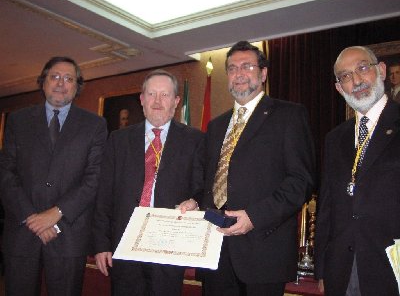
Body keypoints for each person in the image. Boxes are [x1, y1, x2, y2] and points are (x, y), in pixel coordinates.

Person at [200, 41, 315, 296]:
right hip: (214, 251)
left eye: (247, 66)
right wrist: (193, 201)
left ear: (263, 74)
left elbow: (301, 181)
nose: (238, 74)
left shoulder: (289, 116)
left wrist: (254, 217)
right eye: (232, 68)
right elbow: (209, 180)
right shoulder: (216, 126)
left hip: (263, 252)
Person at [0, 56, 107, 295]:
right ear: (43, 82)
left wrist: (55, 213)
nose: (61, 83)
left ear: (77, 86)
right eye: (55, 77)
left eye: (69, 78)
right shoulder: (18, 121)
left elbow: (93, 179)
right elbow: (5, 174)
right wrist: (32, 217)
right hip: (22, 234)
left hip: (69, 236)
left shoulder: (95, 125)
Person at [92, 69, 204, 296]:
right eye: (151, 94)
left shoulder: (195, 140)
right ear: (142, 100)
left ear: (176, 101)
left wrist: (196, 201)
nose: (157, 101)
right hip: (124, 244)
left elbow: (203, 188)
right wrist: (101, 243)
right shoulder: (117, 140)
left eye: (165, 95)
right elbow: (104, 195)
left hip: (169, 246)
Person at [314, 46, 400, 295]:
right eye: (346, 76)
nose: (356, 80)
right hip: (341, 268)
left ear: (381, 70)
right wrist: (322, 268)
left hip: (390, 267)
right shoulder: (334, 138)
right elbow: (327, 208)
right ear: (339, 88)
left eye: (363, 68)